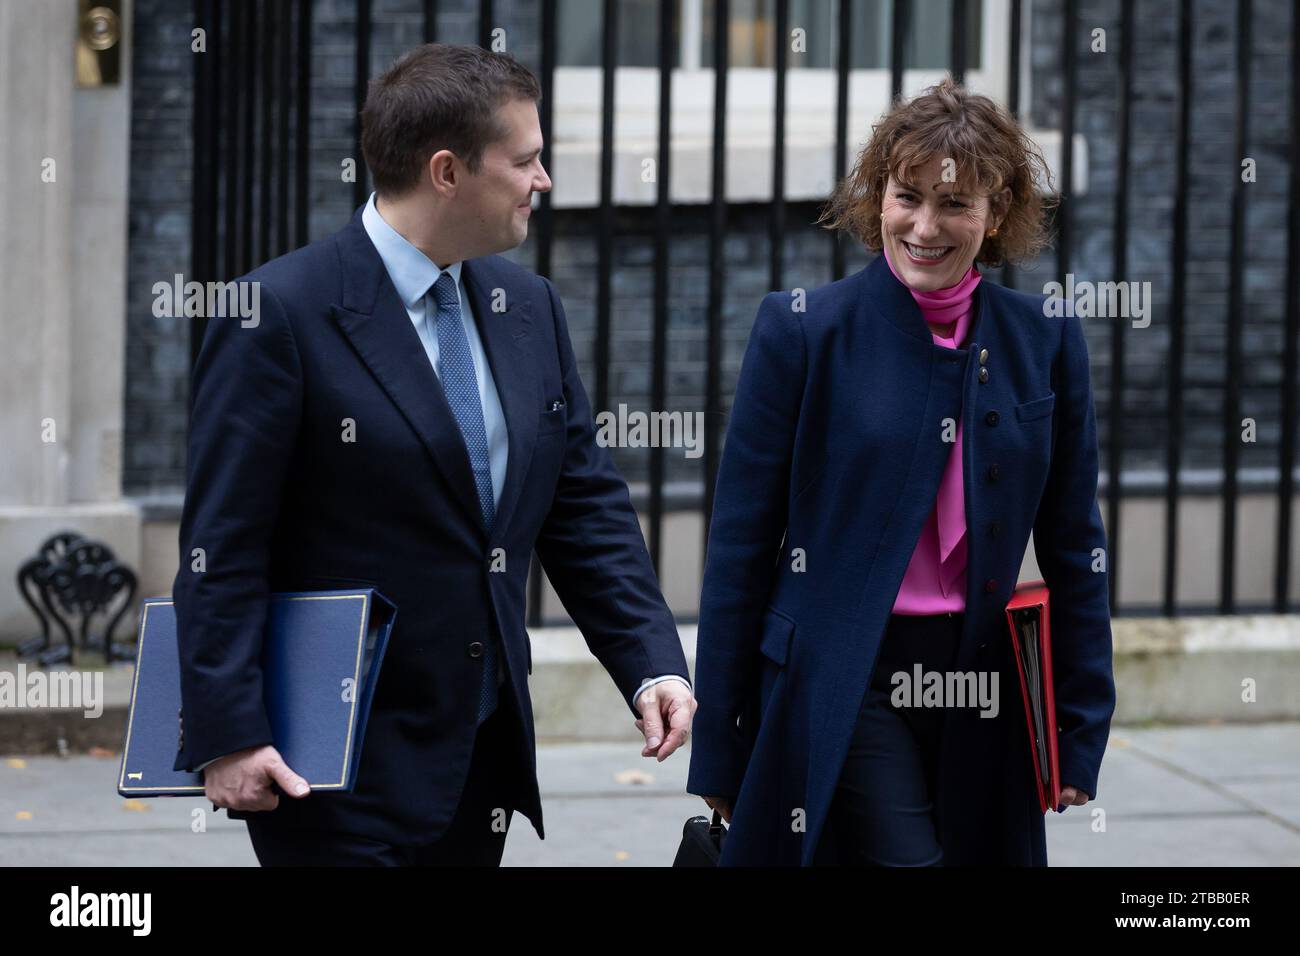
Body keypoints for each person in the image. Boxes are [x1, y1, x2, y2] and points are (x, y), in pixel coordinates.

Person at [172, 43, 695, 866]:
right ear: (447, 172)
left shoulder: (529, 307)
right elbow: (222, 545)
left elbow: (582, 503)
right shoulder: (278, 314)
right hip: (331, 769)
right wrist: (228, 731)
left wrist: (651, 665)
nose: (542, 180)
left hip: (480, 759)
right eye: (525, 160)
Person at [685, 78, 1115, 866]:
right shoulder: (804, 331)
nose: (924, 226)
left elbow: (1074, 545)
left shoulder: (1044, 340)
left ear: (995, 211)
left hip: (984, 689)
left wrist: (1078, 729)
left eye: (954, 204)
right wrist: (719, 746)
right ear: (877, 195)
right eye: (906, 196)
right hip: (848, 676)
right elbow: (740, 549)